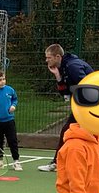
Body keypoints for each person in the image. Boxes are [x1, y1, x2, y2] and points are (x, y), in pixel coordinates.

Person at [38, 44, 94, 172]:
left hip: (90, 105)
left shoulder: (72, 66)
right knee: (68, 131)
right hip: (83, 105)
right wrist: (58, 77)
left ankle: (59, 163)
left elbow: (87, 86)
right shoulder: (63, 67)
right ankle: (60, 162)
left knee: (70, 130)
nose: (47, 60)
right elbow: (65, 93)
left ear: (58, 57)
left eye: (49, 57)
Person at [0, 69, 21, 170]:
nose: (3, 81)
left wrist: (13, 106)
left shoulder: (10, 90)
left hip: (9, 120)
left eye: (4, 79)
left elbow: (14, 99)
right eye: (0, 80)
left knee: (12, 140)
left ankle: (16, 161)